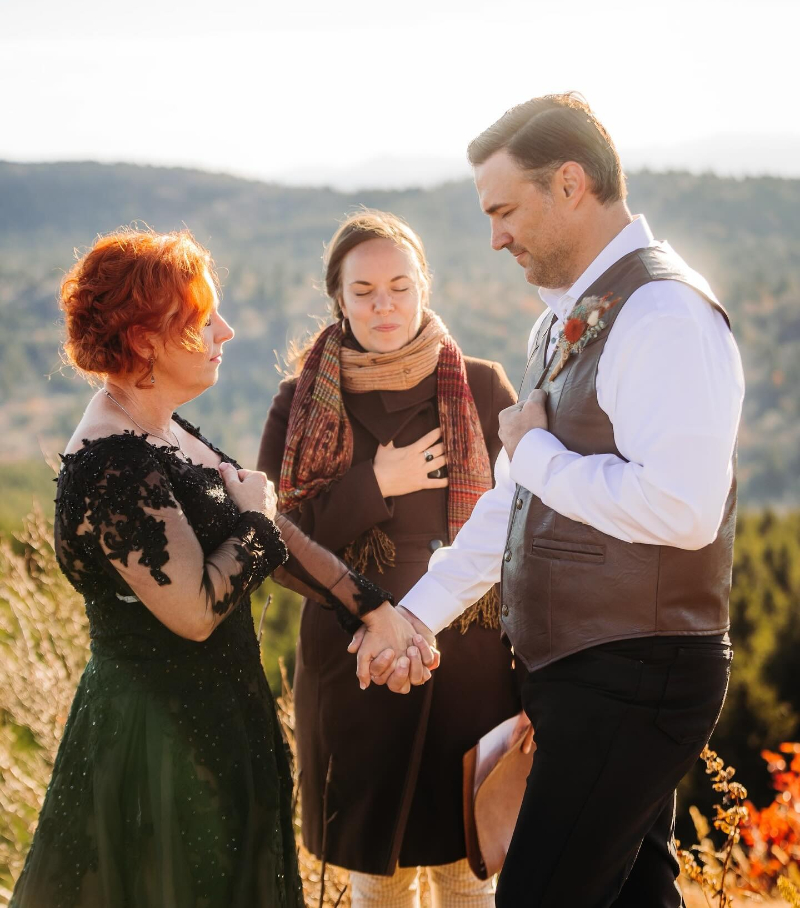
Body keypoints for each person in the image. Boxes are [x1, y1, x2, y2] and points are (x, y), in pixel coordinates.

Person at [358, 95, 745, 907]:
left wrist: (534, 448)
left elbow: (683, 509)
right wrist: (416, 613)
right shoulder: (563, 321)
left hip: (638, 673)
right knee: (635, 895)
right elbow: (512, 503)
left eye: (504, 208)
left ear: (570, 183)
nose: (495, 235)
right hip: (579, 675)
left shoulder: (666, 314)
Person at [10, 227, 430, 908]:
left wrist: (375, 607)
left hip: (222, 727)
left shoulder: (161, 424)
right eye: (202, 320)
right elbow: (199, 610)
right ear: (145, 340)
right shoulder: (111, 464)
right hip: (157, 748)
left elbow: (266, 533)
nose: (226, 332)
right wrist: (258, 518)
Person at [258, 210, 525, 907]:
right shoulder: (301, 401)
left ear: (424, 287)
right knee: (379, 883)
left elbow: (526, 527)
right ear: (338, 298)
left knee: (470, 876)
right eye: (365, 290)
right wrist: (375, 482)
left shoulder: (483, 385)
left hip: (468, 666)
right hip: (358, 666)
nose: (384, 305)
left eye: (400, 287)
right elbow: (274, 538)